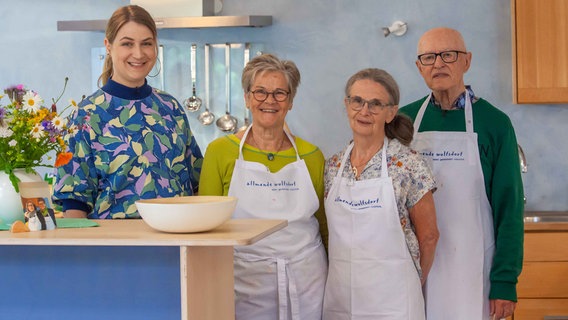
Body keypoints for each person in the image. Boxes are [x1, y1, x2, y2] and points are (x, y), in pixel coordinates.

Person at [400, 27, 524, 320]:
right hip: (415, 270)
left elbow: (510, 207)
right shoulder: (402, 122)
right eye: (429, 57)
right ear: (419, 67)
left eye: (448, 55)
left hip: (473, 270)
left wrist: (505, 282)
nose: (438, 64)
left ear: (466, 61)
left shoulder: (495, 123)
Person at [199, 53, 328, 320]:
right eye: (260, 92)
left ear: (290, 102)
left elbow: (325, 225)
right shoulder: (220, 152)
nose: (270, 101)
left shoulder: (311, 156)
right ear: (247, 98)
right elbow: (206, 227)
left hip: (307, 280)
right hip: (244, 281)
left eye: (280, 93)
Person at [52, 5, 202, 219]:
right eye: (127, 44)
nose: (138, 54)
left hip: (177, 243)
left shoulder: (171, 108)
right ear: (108, 46)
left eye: (146, 44)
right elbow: (74, 204)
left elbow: (197, 185)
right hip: (114, 247)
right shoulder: (86, 116)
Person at [323, 68, 439, 319]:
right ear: (347, 105)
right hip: (342, 300)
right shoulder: (333, 166)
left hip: (393, 302)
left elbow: (429, 236)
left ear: (391, 112)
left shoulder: (407, 164)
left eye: (376, 104)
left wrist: (411, 281)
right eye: (357, 101)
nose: (364, 111)